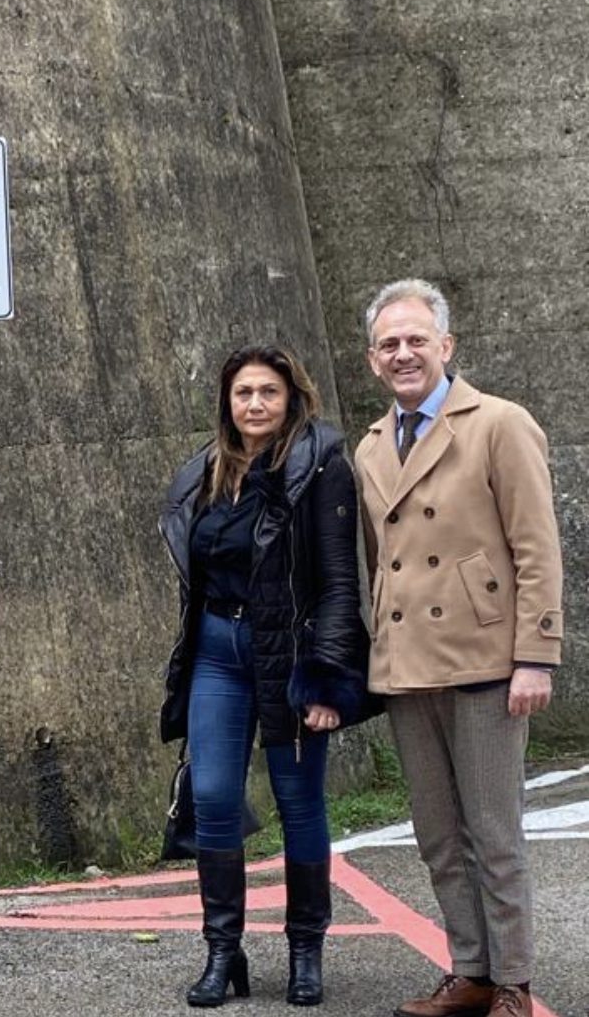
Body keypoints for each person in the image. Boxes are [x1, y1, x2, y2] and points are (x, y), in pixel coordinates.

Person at [354, 280, 562, 1017]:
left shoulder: (500, 424)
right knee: (438, 833)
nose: (403, 354)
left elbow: (537, 548)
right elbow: (381, 561)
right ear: (374, 360)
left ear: (446, 346)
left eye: (417, 340)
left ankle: (513, 982)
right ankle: (469, 969)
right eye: (389, 344)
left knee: (493, 832)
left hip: (486, 658)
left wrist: (536, 655)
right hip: (407, 663)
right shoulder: (373, 444)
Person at [159, 344, 370, 1008]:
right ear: (228, 400)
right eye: (244, 392)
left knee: (298, 800)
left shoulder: (321, 467)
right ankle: (224, 952)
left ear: (292, 399)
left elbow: (339, 581)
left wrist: (329, 679)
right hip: (218, 650)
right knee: (214, 796)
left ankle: (307, 949)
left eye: (268, 393)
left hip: (290, 653)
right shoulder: (204, 472)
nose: (255, 404)